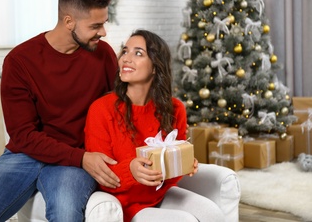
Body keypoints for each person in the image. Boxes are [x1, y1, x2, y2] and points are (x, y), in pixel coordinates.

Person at [0, 0, 120, 222]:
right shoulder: (20, 61)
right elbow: (22, 135)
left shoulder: (103, 55)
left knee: (66, 215)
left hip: (73, 160)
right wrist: (81, 158)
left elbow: (117, 109)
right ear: (68, 21)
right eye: (96, 26)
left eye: (103, 24)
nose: (103, 33)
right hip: (27, 155)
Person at [85, 30, 224, 222]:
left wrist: (183, 163)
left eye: (138, 53)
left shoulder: (174, 108)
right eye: (125, 51)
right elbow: (101, 176)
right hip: (127, 203)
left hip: (162, 194)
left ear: (155, 68)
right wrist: (131, 171)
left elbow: (173, 174)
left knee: (213, 214)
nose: (127, 58)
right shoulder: (101, 109)